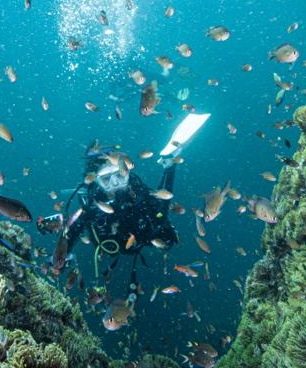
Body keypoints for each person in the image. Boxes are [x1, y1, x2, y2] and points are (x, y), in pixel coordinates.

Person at [42, 113, 210, 284]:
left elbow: (162, 211)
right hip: (111, 252)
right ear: (97, 181)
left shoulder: (137, 190)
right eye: (106, 179)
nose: (115, 183)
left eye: (119, 175)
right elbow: (74, 228)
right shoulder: (94, 203)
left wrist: (169, 169)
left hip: (141, 245)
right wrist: (61, 255)